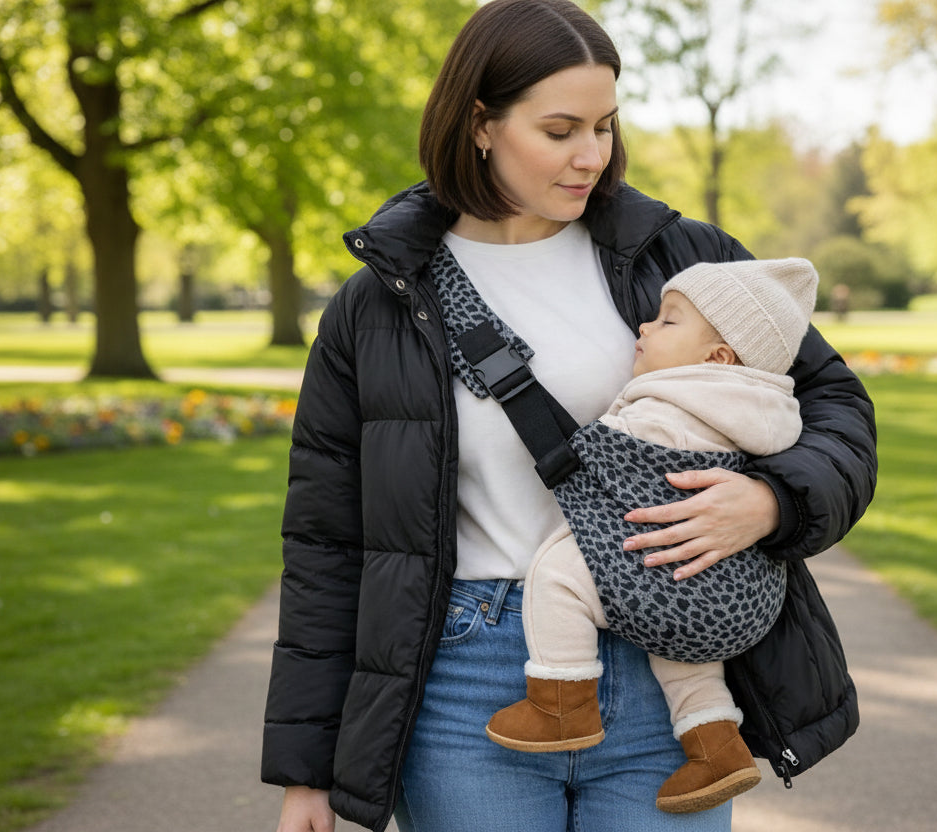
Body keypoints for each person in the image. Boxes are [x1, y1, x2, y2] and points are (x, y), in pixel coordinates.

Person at [261, 1, 877, 831]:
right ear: (481, 124)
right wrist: (308, 770)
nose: (592, 155)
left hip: (673, 671)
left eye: (606, 125)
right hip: (467, 688)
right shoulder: (374, 308)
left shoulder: (682, 258)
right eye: (560, 130)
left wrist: (774, 502)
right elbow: (327, 542)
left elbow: (836, 403)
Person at [485, 258, 819, 816]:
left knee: (559, 574)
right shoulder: (766, 413)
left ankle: (562, 700)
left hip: (657, 567)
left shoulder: (668, 404)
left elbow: (600, 460)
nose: (645, 327)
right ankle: (716, 746)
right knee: (684, 655)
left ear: (717, 357)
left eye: (668, 322)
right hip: (736, 595)